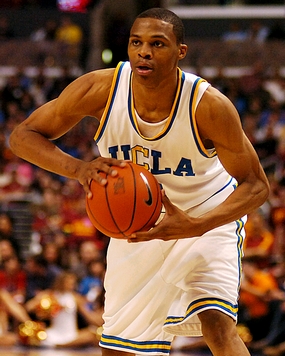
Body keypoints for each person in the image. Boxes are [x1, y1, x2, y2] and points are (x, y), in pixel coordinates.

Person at [9, 7, 269, 356]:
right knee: (119, 348)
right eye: (136, 42)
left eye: (157, 44)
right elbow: (22, 136)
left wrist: (194, 225)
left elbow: (256, 185)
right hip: (138, 226)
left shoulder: (208, 106)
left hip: (206, 217)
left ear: (181, 52)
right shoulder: (99, 89)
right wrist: (79, 169)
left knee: (218, 326)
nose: (144, 52)